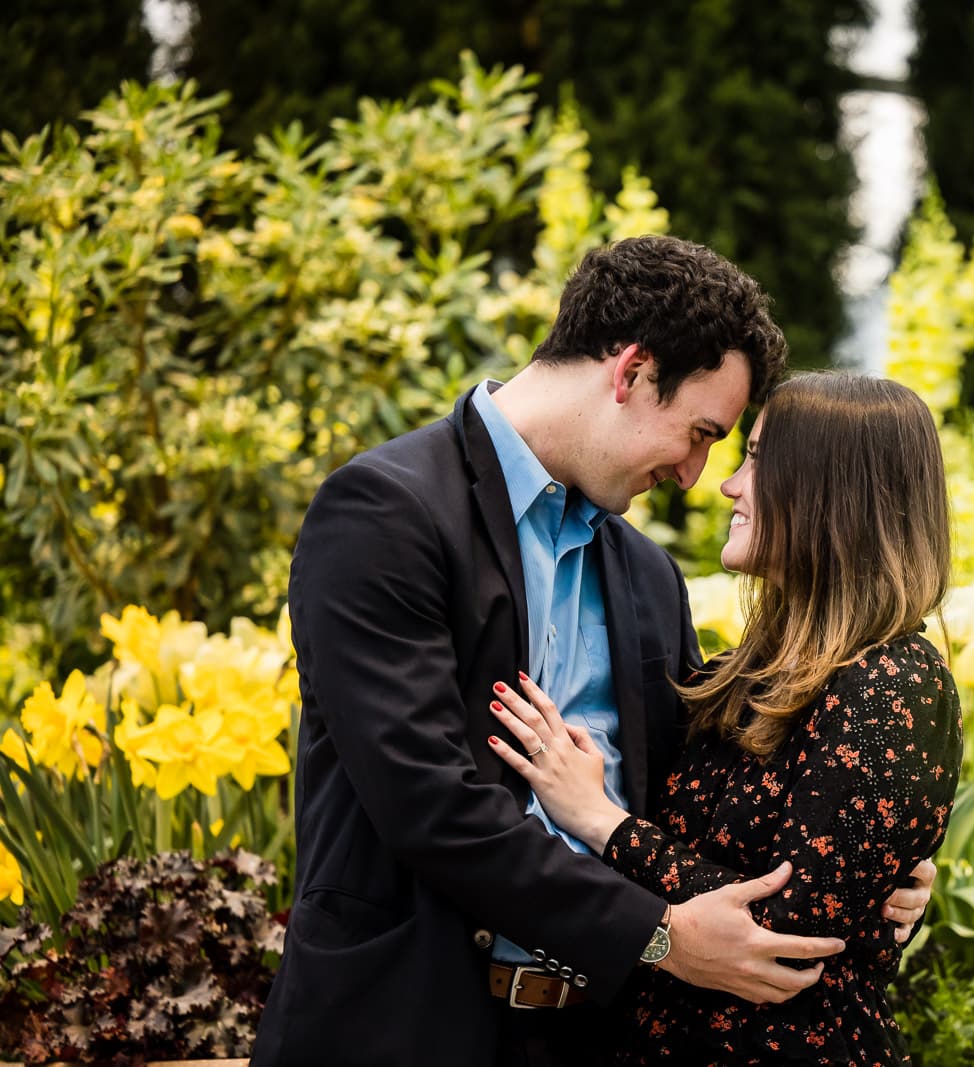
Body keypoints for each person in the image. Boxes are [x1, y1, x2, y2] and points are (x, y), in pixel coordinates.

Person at [252, 238, 933, 1067]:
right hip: (402, 1026)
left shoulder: (645, 575)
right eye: (699, 432)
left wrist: (872, 866)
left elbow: (710, 796)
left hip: (594, 1039)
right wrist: (657, 938)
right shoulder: (385, 514)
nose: (694, 475)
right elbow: (430, 807)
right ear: (632, 372)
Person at [487, 373, 963, 1064]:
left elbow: (780, 936)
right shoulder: (748, 673)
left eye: (758, 461)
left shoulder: (892, 684)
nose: (729, 485)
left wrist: (600, 821)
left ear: (830, 490)